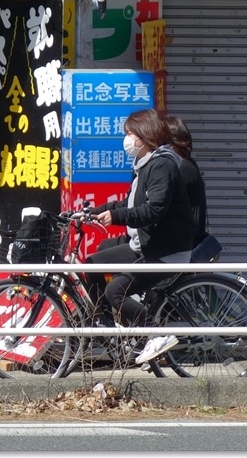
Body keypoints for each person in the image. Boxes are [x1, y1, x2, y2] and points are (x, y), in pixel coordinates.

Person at [85, 108, 196, 365]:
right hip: (145, 245)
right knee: (91, 265)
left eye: (130, 133)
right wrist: (93, 212)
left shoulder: (161, 165)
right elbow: (130, 202)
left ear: (145, 135)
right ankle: (110, 331)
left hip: (165, 250)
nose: (127, 139)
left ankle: (156, 334)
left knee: (116, 291)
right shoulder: (145, 164)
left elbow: (154, 209)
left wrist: (117, 218)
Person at [165, 115, 208, 248]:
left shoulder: (183, 169)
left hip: (181, 245)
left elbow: (157, 205)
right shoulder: (185, 165)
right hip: (181, 240)